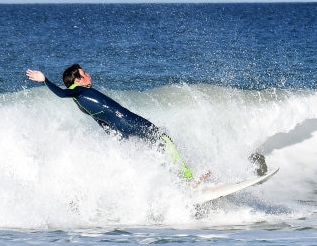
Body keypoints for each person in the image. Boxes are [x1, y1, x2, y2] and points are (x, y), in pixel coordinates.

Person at [26, 64, 206, 183]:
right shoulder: (77, 90)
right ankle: (189, 180)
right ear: (78, 80)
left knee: (154, 150)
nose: (89, 75)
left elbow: (101, 121)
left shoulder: (81, 101)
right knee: (164, 140)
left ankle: (176, 182)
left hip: (122, 128)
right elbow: (61, 93)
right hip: (129, 120)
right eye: (85, 73)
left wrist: (117, 138)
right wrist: (45, 81)